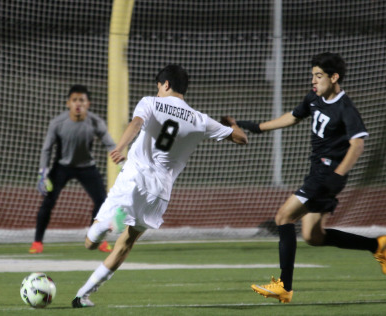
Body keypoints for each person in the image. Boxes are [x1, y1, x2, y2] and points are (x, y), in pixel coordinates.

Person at [71, 64, 248, 308]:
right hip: (159, 192)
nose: (157, 91)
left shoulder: (151, 102)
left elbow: (135, 123)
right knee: (126, 243)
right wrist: (232, 124)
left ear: (165, 85)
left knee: (90, 243)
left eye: (158, 87)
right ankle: (83, 295)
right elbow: (242, 139)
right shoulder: (200, 120)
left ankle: (110, 223)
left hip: (133, 178)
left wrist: (120, 146)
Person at [237, 52, 386, 303]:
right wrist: (258, 127)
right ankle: (377, 245)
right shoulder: (314, 97)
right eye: (313, 75)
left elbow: (357, 145)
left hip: (327, 175)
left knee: (283, 217)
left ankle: (284, 287)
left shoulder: (345, 108)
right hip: (318, 172)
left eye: (319, 76)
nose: (314, 80)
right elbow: (293, 117)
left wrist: (337, 175)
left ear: (334, 77)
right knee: (313, 237)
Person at [29, 85, 118, 254]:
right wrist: (43, 174)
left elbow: (110, 144)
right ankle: (37, 242)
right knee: (48, 202)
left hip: (87, 168)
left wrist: (121, 162)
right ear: (68, 103)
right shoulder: (57, 123)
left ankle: (97, 239)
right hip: (62, 167)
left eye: (82, 100)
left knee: (102, 202)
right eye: (75, 100)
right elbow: (47, 149)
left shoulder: (95, 122)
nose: (78, 104)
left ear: (88, 104)